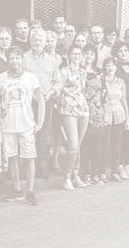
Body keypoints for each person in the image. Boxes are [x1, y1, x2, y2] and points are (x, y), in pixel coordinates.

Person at [0, 46, 44, 204]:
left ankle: (30, 191)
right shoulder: (0, 79)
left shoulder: (31, 78)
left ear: (22, 60)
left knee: (29, 158)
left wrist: (40, 122)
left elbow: (41, 100)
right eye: (11, 58)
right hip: (7, 125)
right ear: (7, 60)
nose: (14, 61)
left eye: (17, 57)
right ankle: (17, 189)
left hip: (26, 124)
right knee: (12, 158)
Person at [24, 29, 61, 176]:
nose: (38, 43)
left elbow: (58, 81)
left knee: (44, 133)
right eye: (35, 40)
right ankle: (28, 166)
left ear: (45, 42)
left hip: (46, 102)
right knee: (28, 132)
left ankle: (42, 165)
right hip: (28, 102)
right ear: (30, 41)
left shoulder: (52, 61)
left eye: (40, 40)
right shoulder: (24, 58)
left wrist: (51, 92)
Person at [55, 45, 89, 189]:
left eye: (79, 54)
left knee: (78, 145)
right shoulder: (63, 71)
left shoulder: (83, 71)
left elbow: (82, 90)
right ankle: (67, 176)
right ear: (69, 55)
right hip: (68, 109)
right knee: (73, 145)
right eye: (74, 54)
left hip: (83, 109)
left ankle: (76, 175)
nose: (77, 56)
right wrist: (60, 107)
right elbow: (58, 91)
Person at [80, 46, 108, 184]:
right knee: (84, 143)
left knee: (97, 144)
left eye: (92, 54)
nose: (89, 56)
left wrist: (99, 102)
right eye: (86, 53)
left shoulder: (99, 72)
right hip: (82, 110)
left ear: (95, 56)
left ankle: (95, 173)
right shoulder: (79, 71)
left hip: (97, 111)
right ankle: (85, 173)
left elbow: (104, 91)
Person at [101, 57, 129, 182]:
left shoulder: (120, 82)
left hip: (119, 114)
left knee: (117, 144)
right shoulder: (101, 80)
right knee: (105, 144)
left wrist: (127, 119)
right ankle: (102, 172)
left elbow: (124, 100)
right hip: (105, 114)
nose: (110, 68)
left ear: (116, 67)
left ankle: (115, 172)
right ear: (104, 67)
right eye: (108, 65)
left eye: (112, 65)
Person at [114, 42, 129, 179]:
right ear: (116, 53)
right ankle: (120, 166)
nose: (123, 53)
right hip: (120, 105)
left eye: (125, 51)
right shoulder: (115, 68)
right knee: (120, 136)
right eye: (120, 51)